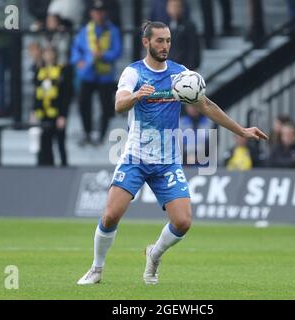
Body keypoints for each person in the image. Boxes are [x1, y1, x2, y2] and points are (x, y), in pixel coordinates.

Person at [76, 21, 268, 285]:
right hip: (135, 158)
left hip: (167, 162)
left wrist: (241, 130)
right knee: (110, 215)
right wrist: (136, 97)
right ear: (146, 42)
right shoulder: (133, 73)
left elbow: (207, 105)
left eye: (168, 41)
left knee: (183, 222)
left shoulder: (181, 75)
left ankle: (154, 254)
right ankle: (96, 269)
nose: (165, 46)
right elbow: (119, 104)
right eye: (159, 41)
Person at [70, 0, 122, 146]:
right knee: (83, 103)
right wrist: (78, 60)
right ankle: (87, 132)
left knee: (106, 106)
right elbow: (76, 50)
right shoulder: (85, 30)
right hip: (88, 73)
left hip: (105, 76)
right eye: (96, 12)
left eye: (101, 12)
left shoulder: (113, 31)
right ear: (91, 13)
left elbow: (117, 51)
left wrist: (103, 56)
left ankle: (101, 135)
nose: (99, 15)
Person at [31, 46, 71, 167]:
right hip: (43, 114)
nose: (48, 56)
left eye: (50, 52)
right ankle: (45, 167)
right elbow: (36, 93)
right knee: (43, 145)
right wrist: (33, 110)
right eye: (46, 53)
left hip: (57, 114)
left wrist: (63, 115)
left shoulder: (62, 70)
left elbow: (65, 95)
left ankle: (64, 168)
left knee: (60, 144)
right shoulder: (39, 70)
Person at [166, 0, 201, 71]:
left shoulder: (189, 26)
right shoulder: (165, 27)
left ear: (182, 8)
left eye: (177, 6)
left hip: (185, 68)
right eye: (172, 6)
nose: (174, 9)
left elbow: (193, 48)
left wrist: (190, 67)